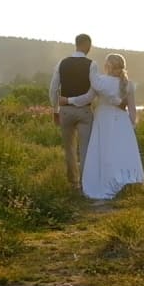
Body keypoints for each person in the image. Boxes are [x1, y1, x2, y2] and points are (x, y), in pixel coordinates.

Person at [61, 53, 144, 200]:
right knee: (121, 151)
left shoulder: (100, 82)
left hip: (104, 121)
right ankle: (126, 181)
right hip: (122, 122)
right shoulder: (129, 84)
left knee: (104, 151)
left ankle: (105, 180)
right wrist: (131, 127)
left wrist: (68, 100)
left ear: (107, 66)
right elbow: (132, 109)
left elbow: (86, 99)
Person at [49, 34, 96, 189]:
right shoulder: (92, 64)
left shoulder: (62, 63)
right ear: (87, 45)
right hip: (84, 111)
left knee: (69, 148)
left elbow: (53, 89)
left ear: (76, 44)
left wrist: (55, 110)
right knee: (85, 148)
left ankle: (73, 183)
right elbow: (92, 93)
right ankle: (86, 182)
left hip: (66, 112)